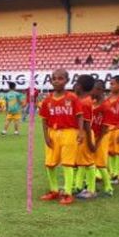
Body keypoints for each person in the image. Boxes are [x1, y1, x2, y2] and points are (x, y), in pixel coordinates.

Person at [39, 68, 84, 206]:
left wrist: (81, 132)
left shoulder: (72, 98)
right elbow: (44, 120)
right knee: (49, 163)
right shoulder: (47, 100)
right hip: (53, 133)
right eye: (54, 78)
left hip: (69, 132)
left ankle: (68, 193)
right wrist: (46, 136)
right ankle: (54, 190)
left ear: (67, 80)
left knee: (67, 163)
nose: (57, 81)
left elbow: (80, 115)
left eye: (60, 78)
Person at [72, 75, 97, 199]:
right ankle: (79, 186)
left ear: (80, 86)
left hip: (85, 134)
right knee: (81, 161)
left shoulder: (85, 102)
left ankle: (91, 189)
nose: (75, 86)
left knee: (88, 162)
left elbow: (87, 123)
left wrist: (90, 142)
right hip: (81, 133)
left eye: (76, 83)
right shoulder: (81, 100)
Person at [90, 80, 114, 197]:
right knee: (90, 162)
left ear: (100, 90)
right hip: (93, 136)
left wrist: (98, 142)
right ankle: (90, 187)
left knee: (100, 163)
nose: (92, 91)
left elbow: (105, 127)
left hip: (101, 137)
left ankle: (108, 187)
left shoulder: (106, 106)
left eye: (94, 89)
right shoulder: (92, 103)